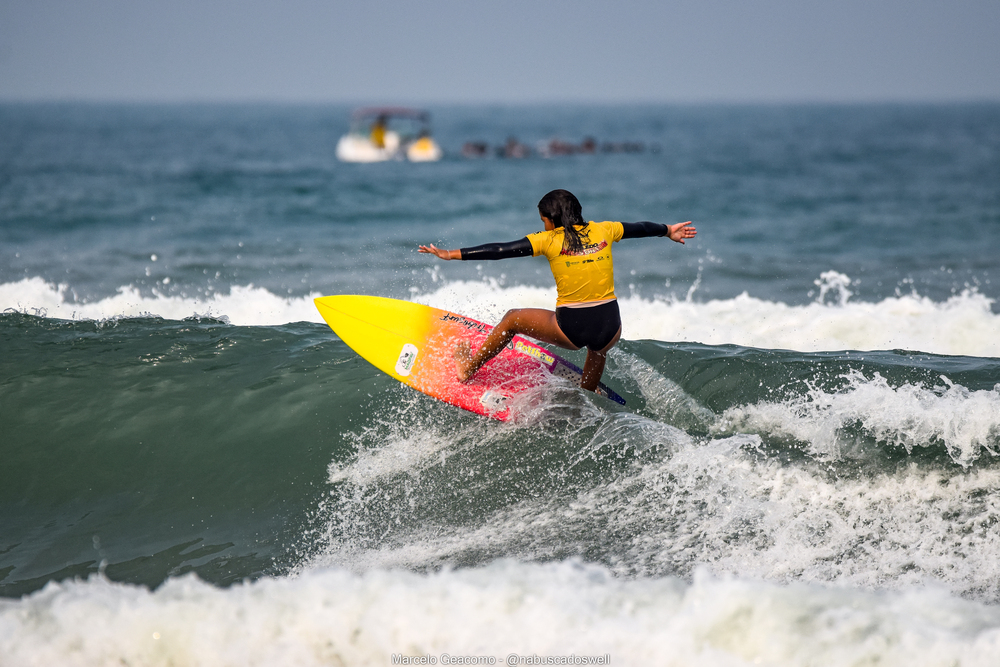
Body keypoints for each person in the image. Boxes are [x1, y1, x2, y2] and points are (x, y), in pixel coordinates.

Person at [418, 189, 697, 393]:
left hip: (572, 327)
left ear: (551, 220)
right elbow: (640, 228)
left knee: (512, 318)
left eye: (543, 220)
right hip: (611, 327)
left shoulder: (548, 240)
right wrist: (668, 230)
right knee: (597, 349)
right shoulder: (605, 229)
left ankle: (467, 369)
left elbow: (500, 250)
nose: (542, 225)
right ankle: (587, 394)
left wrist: (451, 254)